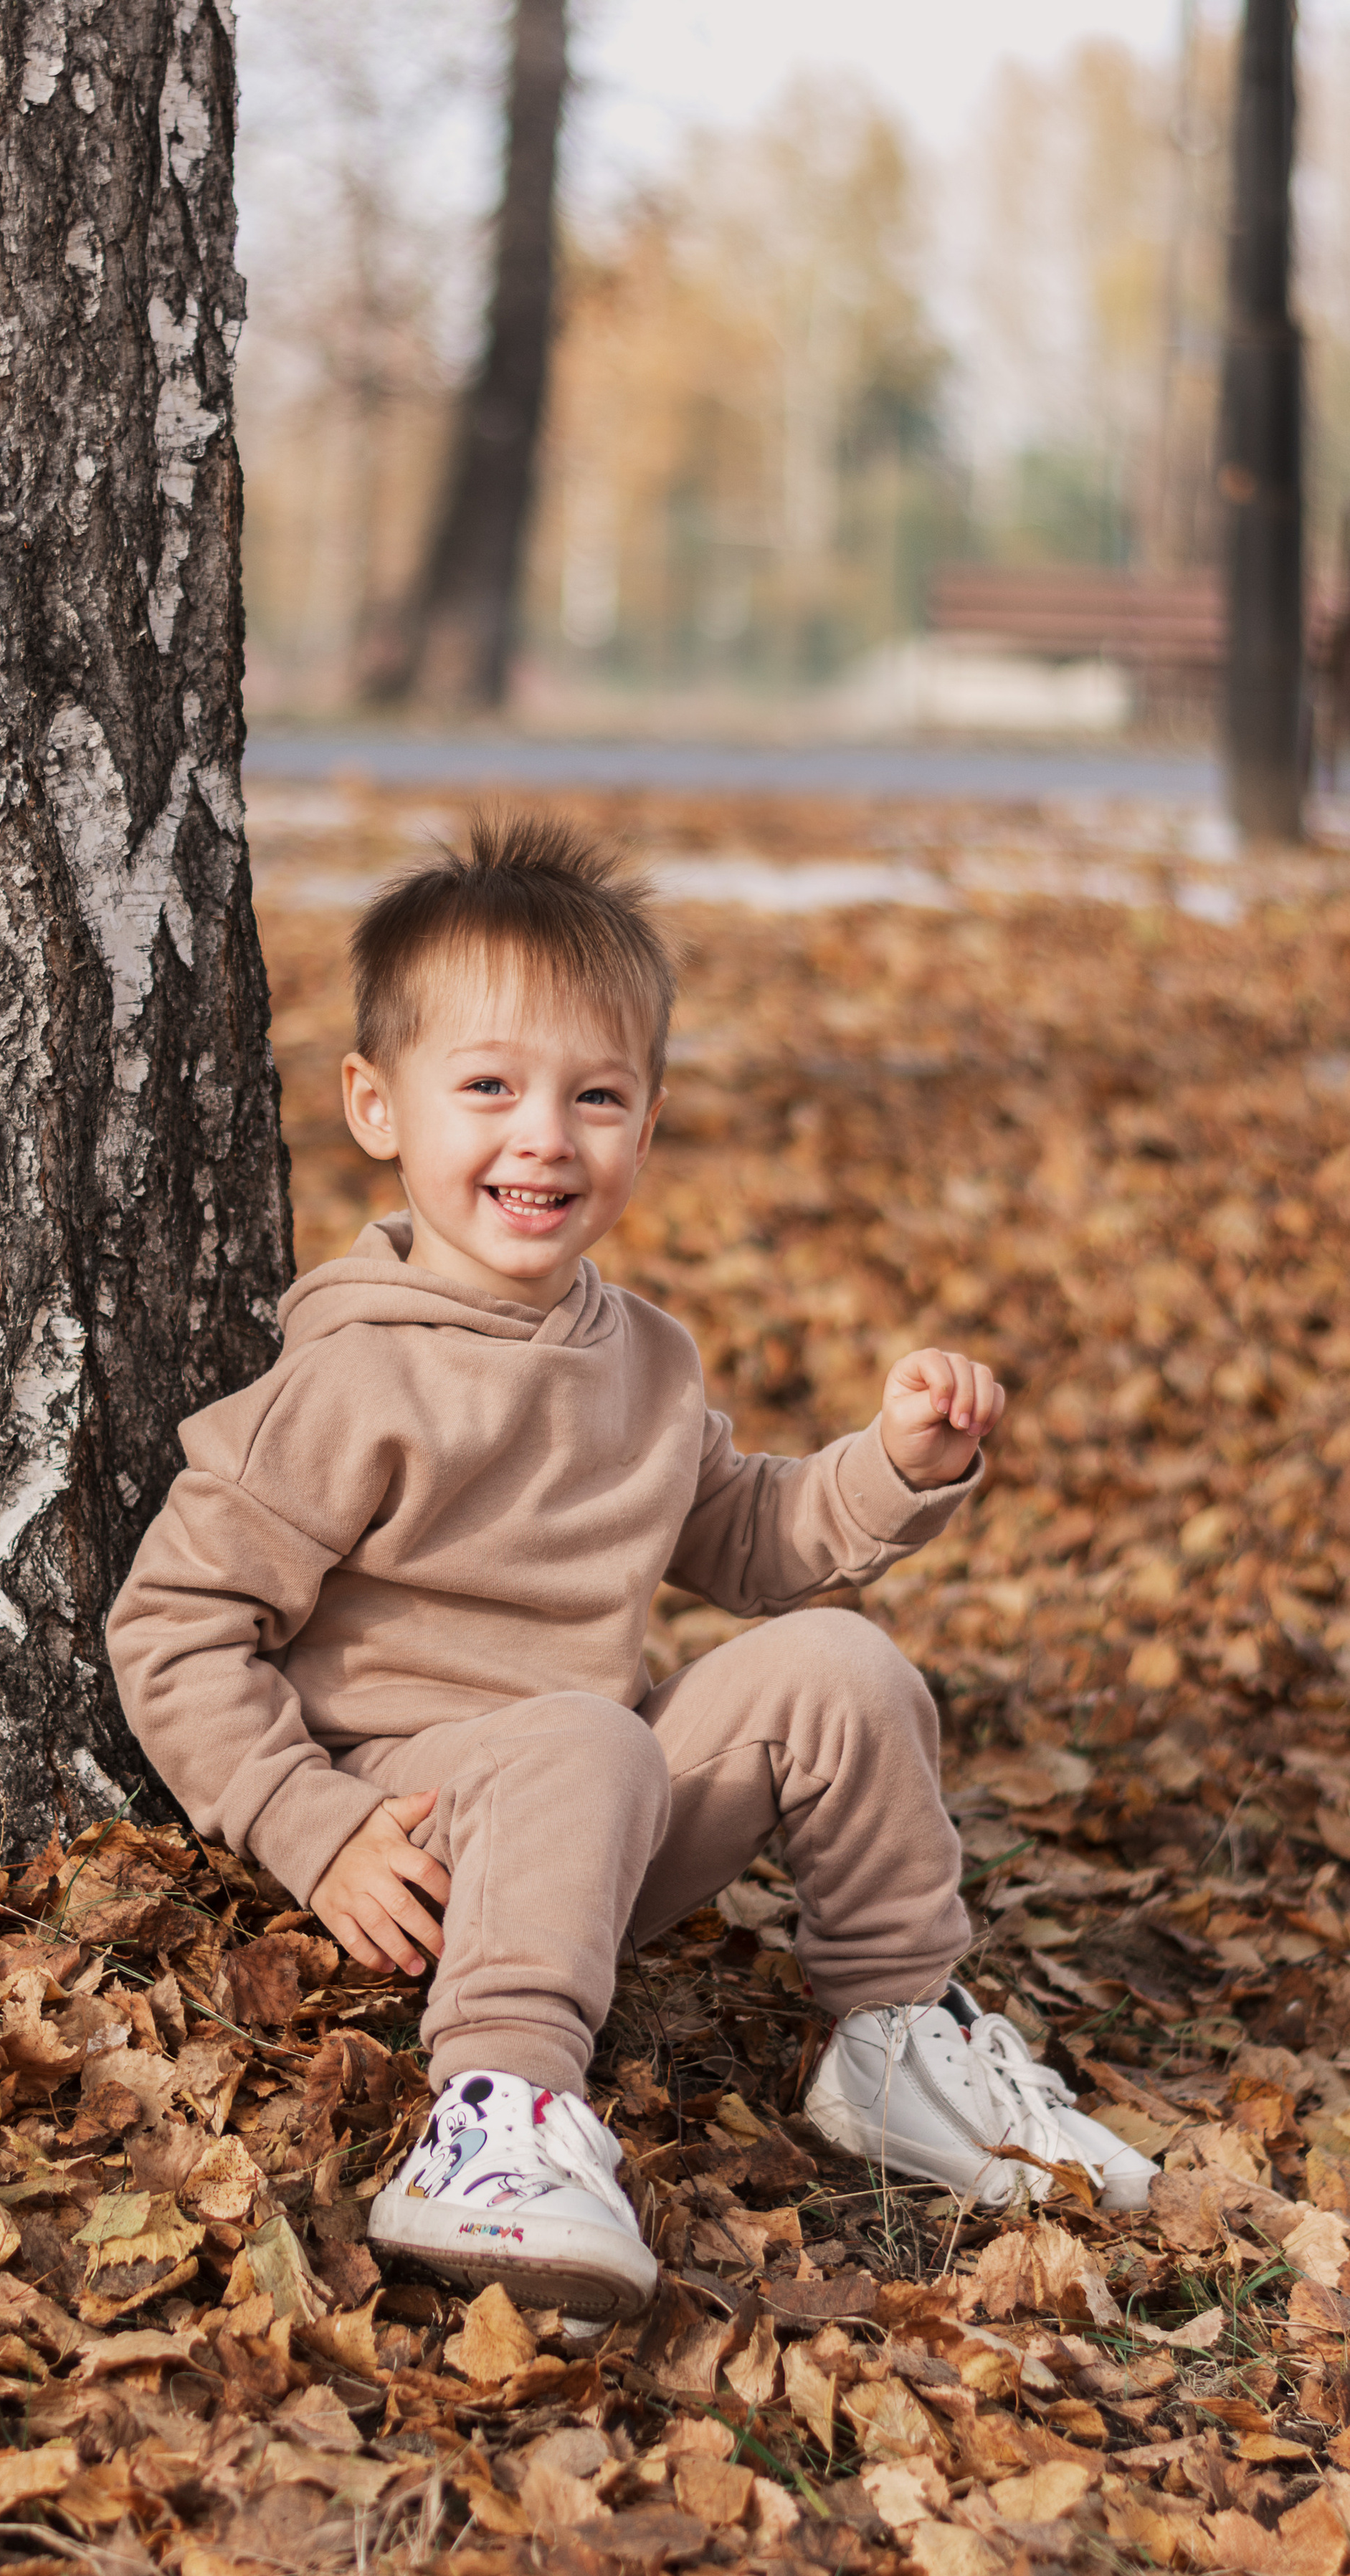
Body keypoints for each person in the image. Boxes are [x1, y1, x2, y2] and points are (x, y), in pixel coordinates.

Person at [108, 815, 1154, 2324]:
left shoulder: (640, 1357)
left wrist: (896, 1469)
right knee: (585, 1738)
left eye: (593, 1098)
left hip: (602, 1822)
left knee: (841, 1668)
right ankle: (495, 2117)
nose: (543, 1137)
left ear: (644, 1126)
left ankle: (896, 2043)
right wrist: (310, 1825)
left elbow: (746, 1536)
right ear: (375, 1107)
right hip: (418, 1840)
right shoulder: (345, 1378)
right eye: (487, 1089)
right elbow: (177, 1625)